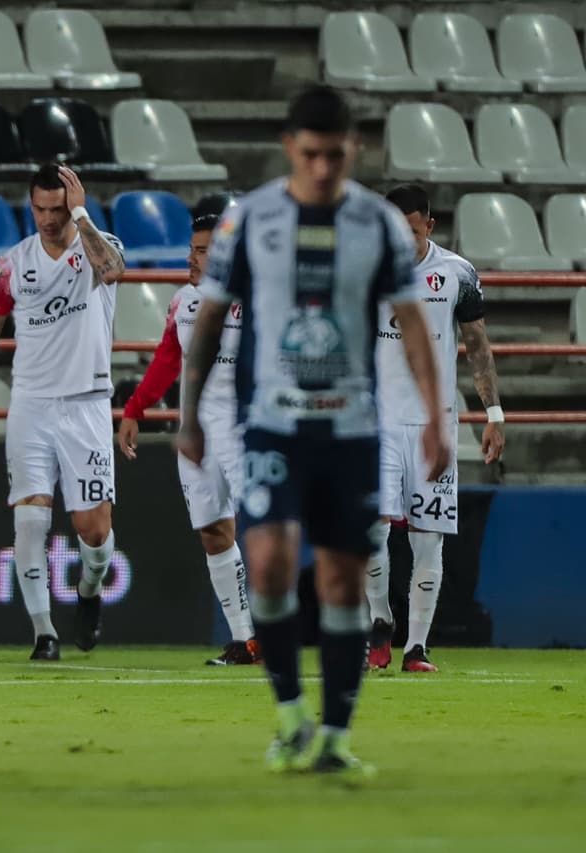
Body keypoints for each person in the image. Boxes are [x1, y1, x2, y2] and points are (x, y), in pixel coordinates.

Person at [175, 85, 449, 777]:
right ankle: (291, 714)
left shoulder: (378, 225)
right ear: (289, 148)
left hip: (352, 428)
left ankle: (333, 733)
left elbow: (413, 322)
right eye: (311, 154)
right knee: (267, 563)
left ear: (351, 148)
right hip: (272, 424)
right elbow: (210, 318)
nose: (324, 167)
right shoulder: (251, 221)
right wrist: (188, 414)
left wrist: (439, 416)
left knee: (341, 577)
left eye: (335, 154)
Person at [0, 164, 126, 661]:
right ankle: (43, 633)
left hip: (87, 403)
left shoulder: (99, 246)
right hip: (30, 404)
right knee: (30, 521)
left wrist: (82, 214)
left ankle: (89, 592)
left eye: (57, 208)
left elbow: (114, 272)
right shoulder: (10, 264)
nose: (48, 219)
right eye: (40, 208)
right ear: (28, 205)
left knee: (93, 530)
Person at [366, 184, 505, 672]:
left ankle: (417, 647)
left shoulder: (457, 273)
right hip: (377, 423)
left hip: (434, 427)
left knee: (428, 538)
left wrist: (493, 414)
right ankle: (380, 624)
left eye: (409, 230)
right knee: (372, 533)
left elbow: (478, 345)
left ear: (429, 224)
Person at [118, 214, 259, 666]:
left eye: (202, 250)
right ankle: (245, 639)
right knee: (213, 530)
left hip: (246, 428)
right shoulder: (183, 301)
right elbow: (167, 359)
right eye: (191, 249)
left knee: (267, 531)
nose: (191, 258)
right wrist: (136, 408)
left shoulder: (256, 297)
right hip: (197, 431)